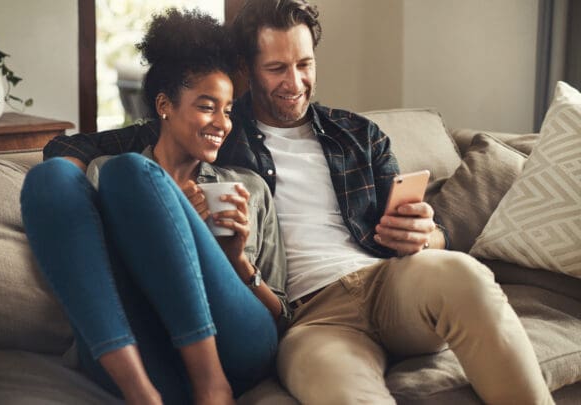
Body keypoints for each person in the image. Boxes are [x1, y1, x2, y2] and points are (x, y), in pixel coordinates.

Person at [44, 1, 554, 403]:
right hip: (308, 320)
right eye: (276, 68)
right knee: (342, 393)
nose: (295, 83)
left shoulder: (359, 134)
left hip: (390, 283)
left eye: (304, 64)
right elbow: (75, 147)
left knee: (463, 274)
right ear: (246, 69)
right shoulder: (217, 125)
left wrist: (430, 233)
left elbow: (424, 226)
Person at [21, 9, 289, 405]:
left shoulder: (248, 188)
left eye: (228, 109)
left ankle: (212, 386)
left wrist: (234, 260)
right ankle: (141, 394)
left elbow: (282, 318)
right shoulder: (104, 176)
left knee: (132, 171)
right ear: (165, 105)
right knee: (50, 178)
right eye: (206, 106)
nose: (222, 122)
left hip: (236, 344)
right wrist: (171, 215)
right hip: (146, 353)